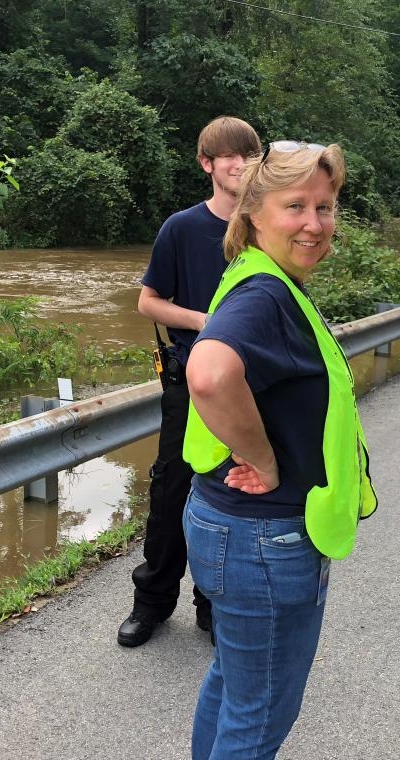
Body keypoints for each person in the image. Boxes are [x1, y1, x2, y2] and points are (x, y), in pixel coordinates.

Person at [181, 141, 377, 760]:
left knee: (235, 688)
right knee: (257, 715)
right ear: (253, 213)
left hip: (230, 531)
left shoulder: (259, 278)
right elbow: (208, 370)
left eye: (325, 206)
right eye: (295, 206)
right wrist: (262, 459)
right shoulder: (265, 294)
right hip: (265, 542)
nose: (316, 222)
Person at [118, 116, 261, 647]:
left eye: (249, 156)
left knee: (229, 494)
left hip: (247, 386)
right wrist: (206, 322)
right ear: (207, 164)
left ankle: (211, 605)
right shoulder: (181, 228)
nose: (240, 165)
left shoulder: (263, 227)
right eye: (229, 157)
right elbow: (147, 302)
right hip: (188, 382)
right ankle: (151, 604)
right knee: (172, 490)